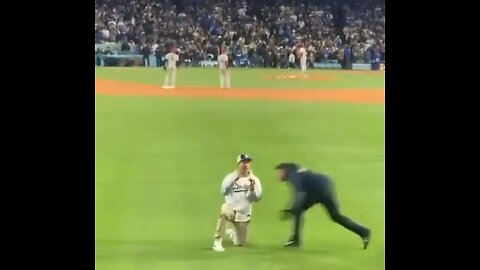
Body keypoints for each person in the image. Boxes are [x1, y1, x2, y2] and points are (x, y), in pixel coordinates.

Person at [275, 162, 371, 249]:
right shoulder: (297, 171)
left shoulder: (293, 175)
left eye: (279, 172)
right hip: (325, 185)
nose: (278, 175)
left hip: (317, 191)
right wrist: (293, 208)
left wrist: (293, 208)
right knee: (336, 216)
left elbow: (299, 193)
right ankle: (364, 232)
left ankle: (296, 241)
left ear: (285, 170)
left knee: (298, 210)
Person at [212, 154, 263, 252]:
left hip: (243, 215)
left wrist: (253, 191)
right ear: (238, 164)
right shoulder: (230, 177)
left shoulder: (254, 180)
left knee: (240, 243)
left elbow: (258, 198)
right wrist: (233, 180)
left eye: (247, 162)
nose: (246, 164)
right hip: (231, 209)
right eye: (243, 162)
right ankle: (217, 240)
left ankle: (231, 233)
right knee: (225, 212)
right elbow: (223, 191)